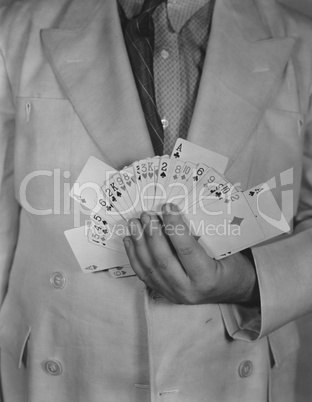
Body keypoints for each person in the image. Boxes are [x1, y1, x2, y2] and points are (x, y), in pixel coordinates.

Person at [0, 0, 312, 401]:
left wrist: (249, 282)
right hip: (61, 371)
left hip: (232, 373)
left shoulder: (304, 45)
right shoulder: (14, 31)